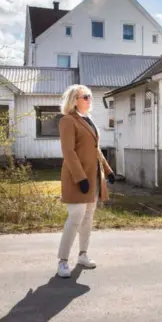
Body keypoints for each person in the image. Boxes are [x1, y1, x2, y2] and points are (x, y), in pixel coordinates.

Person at [56, 84, 115, 278]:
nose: (90, 100)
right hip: (77, 178)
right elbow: (68, 152)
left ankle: (83, 255)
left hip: (94, 178)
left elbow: (96, 149)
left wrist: (108, 170)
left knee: (88, 218)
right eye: (86, 96)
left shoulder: (88, 121)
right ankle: (63, 261)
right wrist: (80, 178)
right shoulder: (67, 121)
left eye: (90, 97)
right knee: (75, 218)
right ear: (75, 100)